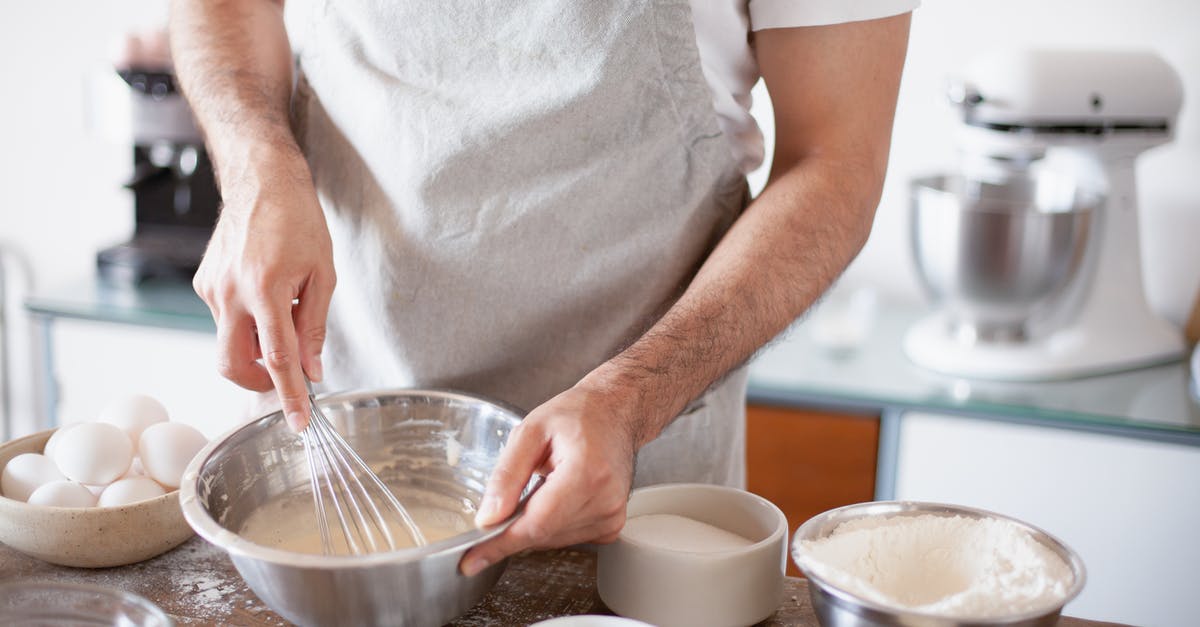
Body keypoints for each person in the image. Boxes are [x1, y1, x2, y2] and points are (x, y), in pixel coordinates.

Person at [170, 0, 915, 576]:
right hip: (333, 441)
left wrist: (630, 402)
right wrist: (254, 165)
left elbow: (836, 159)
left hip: (636, 489)